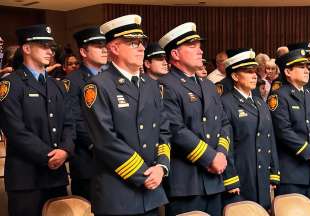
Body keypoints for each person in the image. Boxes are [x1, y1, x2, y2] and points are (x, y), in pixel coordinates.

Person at [81, 14, 170, 216]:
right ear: (114, 48)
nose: (141, 48)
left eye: (141, 42)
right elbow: (105, 140)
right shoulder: (98, 86)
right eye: (132, 43)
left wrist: (161, 167)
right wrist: (144, 174)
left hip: (151, 191)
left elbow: (164, 130)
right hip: (118, 193)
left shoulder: (151, 85)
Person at [0, 24, 74, 216]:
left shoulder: (56, 85)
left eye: (51, 47)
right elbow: (15, 130)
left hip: (56, 176)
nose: (50, 51)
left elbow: (69, 122)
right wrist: (50, 156)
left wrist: (65, 150)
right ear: (26, 48)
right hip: (26, 178)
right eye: (43, 46)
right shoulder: (11, 84)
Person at [158, 22, 231, 215]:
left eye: (199, 46)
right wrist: (210, 157)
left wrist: (222, 153)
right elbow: (176, 130)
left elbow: (224, 123)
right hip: (186, 183)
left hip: (215, 178)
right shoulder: (165, 85)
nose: (200, 51)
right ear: (175, 54)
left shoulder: (208, 85)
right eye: (192, 46)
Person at [268, 49, 310, 205]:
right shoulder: (279, 96)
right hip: (292, 174)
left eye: (307, 66)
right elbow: (283, 131)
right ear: (288, 71)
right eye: (301, 66)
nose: (306, 70)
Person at [220, 48, 279, 209]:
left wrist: (274, 172)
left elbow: (270, 137)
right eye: (248, 71)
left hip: (261, 174)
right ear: (234, 76)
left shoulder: (259, 101)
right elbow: (226, 144)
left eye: (254, 71)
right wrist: (230, 178)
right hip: (242, 174)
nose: (254, 75)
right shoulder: (226, 102)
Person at [66, 26, 108, 200]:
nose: (104, 49)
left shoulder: (110, 78)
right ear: (83, 51)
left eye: (105, 45)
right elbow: (76, 120)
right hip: (88, 160)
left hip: (114, 160)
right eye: (98, 46)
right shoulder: (72, 81)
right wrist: (99, 146)